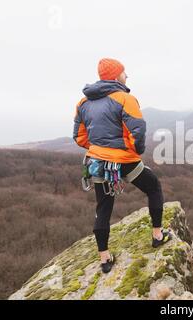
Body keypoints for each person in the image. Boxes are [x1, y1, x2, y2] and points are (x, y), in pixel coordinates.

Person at [73, 58, 172, 273]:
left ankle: (104, 258)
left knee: (103, 207)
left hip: (97, 162)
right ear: (116, 76)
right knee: (153, 186)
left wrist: (100, 149)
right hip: (125, 161)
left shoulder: (83, 103)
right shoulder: (125, 99)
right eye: (124, 72)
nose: (127, 76)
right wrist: (130, 150)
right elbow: (138, 132)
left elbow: (79, 137)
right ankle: (157, 235)